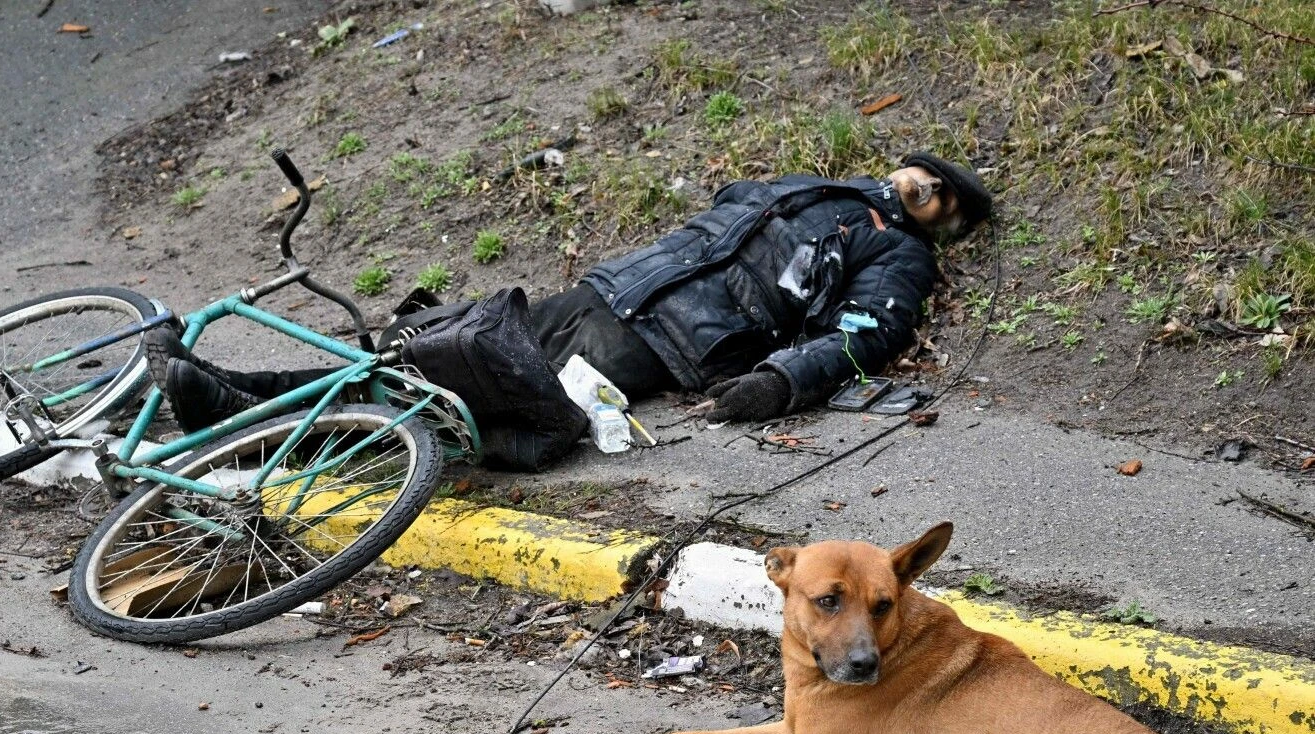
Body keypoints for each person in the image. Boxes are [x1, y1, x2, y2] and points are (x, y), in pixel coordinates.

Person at [151, 152, 991, 439]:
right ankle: (241, 395)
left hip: (661, 342)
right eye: (925, 172)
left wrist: (778, 382)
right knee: (429, 355)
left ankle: (245, 422)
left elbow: (864, 335)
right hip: (607, 291)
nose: (926, 184)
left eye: (943, 194)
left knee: (467, 403)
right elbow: (727, 210)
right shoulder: (822, 188)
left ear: (945, 222)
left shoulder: (897, 253)